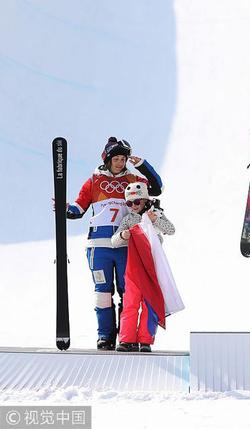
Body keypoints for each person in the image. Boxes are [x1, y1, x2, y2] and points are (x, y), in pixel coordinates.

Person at [66, 137, 163, 350]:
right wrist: (66, 209)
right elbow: (78, 209)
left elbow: (157, 187)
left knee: (128, 291)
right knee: (102, 291)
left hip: (125, 245)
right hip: (98, 245)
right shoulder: (94, 180)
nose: (120, 162)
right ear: (108, 158)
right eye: (116, 158)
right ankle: (104, 336)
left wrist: (142, 165)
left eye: (123, 159)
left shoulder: (132, 178)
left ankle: (125, 338)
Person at [112, 182, 175, 352]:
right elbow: (114, 241)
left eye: (137, 201)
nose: (133, 206)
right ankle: (126, 340)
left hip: (153, 266)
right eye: (129, 203)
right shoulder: (129, 219)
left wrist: (157, 219)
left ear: (146, 199)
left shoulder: (155, 214)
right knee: (130, 302)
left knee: (150, 303)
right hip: (134, 266)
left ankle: (145, 340)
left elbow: (171, 230)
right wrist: (123, 235)